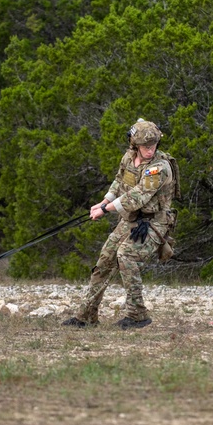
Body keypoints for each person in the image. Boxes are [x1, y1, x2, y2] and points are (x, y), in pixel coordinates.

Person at [63, 119, 178, 330]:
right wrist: (104, 201)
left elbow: (138, 197)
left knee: (126, 255)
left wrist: (105, 210)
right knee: (105, 261)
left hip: (154, 223)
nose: (149, 150)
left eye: (153, 145)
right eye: (145, 146)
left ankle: (137, 315)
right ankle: (86, 316)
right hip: (131, 219)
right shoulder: (129, 157)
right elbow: (119, 182)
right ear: (135, 145)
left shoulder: (159, 168)